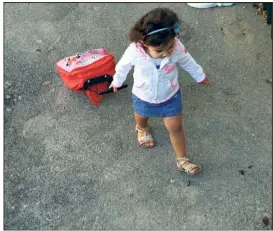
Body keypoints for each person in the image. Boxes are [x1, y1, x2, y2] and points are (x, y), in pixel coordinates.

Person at [109, 7, 209, 175]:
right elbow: (123, 66)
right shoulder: (135, 51)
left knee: (176, 127)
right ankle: (141, 128)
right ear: (143, 43)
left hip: (170, 95)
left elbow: (187, 61)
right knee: (141, 115)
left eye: (169, 48)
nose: (166, 54)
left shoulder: (176, 47)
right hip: (143, 95)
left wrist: (199, 75)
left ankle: (182, 159)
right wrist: (117, 81)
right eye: (159, 51)